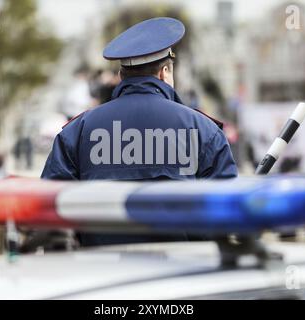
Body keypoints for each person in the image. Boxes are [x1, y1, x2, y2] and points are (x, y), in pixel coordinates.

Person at [41, 17, 237, 246]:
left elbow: (49, 209)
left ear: (122, 76)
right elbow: (226, 213)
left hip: (101, 272)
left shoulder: (78, 130)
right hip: (184, 272)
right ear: (164, 72)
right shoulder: (204, 130)